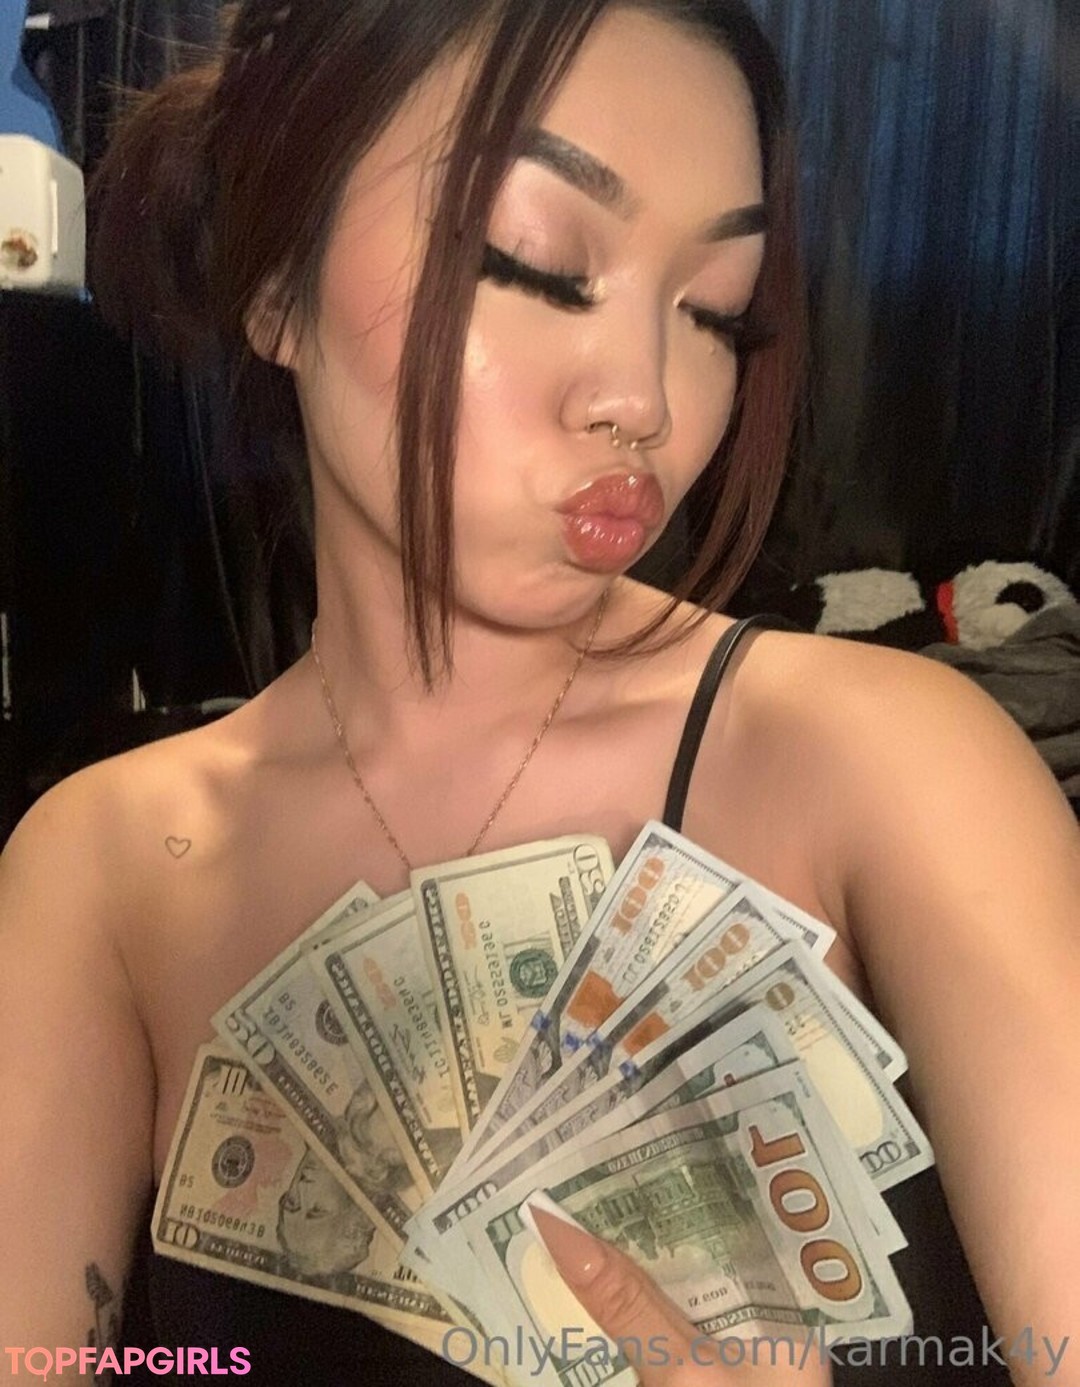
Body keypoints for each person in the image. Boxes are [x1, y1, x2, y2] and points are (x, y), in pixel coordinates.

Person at [0, 2, 1077, 1385]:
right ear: (275, 281)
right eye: (539, 264)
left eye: (717, 311)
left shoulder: (893, 763)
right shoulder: (99, 875)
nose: (645, 397)